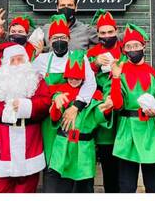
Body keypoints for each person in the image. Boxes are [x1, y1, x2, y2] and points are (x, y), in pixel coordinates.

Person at [0, 45, 52, 193]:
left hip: (30, 146)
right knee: (1, 188)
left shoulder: (36, 82)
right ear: (5, 65)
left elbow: (46, 103)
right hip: (4, 147)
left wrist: (26, 105)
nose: (17, 64)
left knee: (27, 188)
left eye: (20, 60)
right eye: (13, 60)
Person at [109, 24, 155, 193]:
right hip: (127, 130)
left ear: (143, 46)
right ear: (124, 50)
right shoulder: (120, 73)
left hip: (150, 130)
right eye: (128, 47)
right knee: (126, 185)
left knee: (153, 184)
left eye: (136, 46)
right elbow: (117, 104)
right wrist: (116, 78)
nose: (133, 49)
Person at [44, 50, 114, 193]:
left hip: (84, 147)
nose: (73, 80)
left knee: (84, 186)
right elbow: (54, 118)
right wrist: (56, 106)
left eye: (77, 77)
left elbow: (97, 116)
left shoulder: (94, 95)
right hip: (63, 145)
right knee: (59, 186)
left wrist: (106, 108)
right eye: (70, 77)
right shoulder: (60, 92)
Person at [32, 14, 96, 169]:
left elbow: (90, 84)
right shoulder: (41, 60)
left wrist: (75, 107)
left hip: (75, 116)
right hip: (49, 118)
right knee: (52, 159)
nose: (58, 41)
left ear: (68, 39)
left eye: (62, 37)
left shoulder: (79, 57)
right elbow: (31, 85)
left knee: (72, 158)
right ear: (49, 41)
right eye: (54, 38)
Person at [86, 9, 123, 192]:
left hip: (122, 111)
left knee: (119, 164)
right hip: (100, 110)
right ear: (97, 34)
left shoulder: (126, 50)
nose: (107, 36)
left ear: (116, 31)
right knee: (101, 159)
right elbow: (81, 79)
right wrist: (95, 64)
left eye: (110, 32)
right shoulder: (92, 52)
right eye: (102, 33)